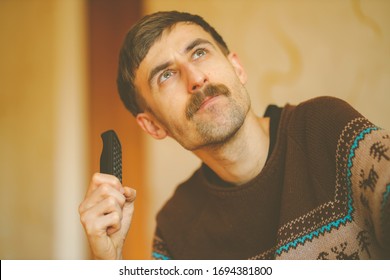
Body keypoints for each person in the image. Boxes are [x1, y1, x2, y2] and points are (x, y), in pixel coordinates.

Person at [79, 11, 390, 260]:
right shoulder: (176, 227)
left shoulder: (326, 128)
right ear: (154, 126)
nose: (196, 78)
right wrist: (111, 263)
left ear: (237, 68)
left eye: (199, 53)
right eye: (167, 75)